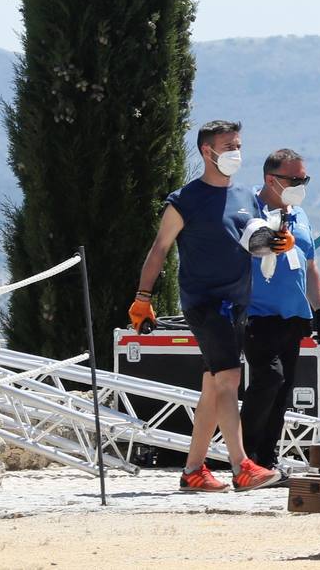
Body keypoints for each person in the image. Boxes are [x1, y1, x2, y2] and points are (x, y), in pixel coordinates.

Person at [128, 120, 289, 493]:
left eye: (238, 145)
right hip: (204, 304)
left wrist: (276, 245)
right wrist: (143, 297)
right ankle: (241, 466)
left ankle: (193, 471)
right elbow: (160, 249)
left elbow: (254, 243)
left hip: (237, 304)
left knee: (212, 387)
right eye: (228, 146)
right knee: (230, 380)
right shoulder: (185, 200)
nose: (236, 152)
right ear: (207, 151)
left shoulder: (247, 198)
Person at [240, 148, 320, 476]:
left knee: (282, 390)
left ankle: (267, 459)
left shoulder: (300, 215)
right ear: (270, 179)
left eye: (303, 179)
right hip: (258, 314)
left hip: (294, 316)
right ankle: (243, 453)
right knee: (269, 378)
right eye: (294, 179)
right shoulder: (248, 207)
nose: (300, 184)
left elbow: (310, 264)